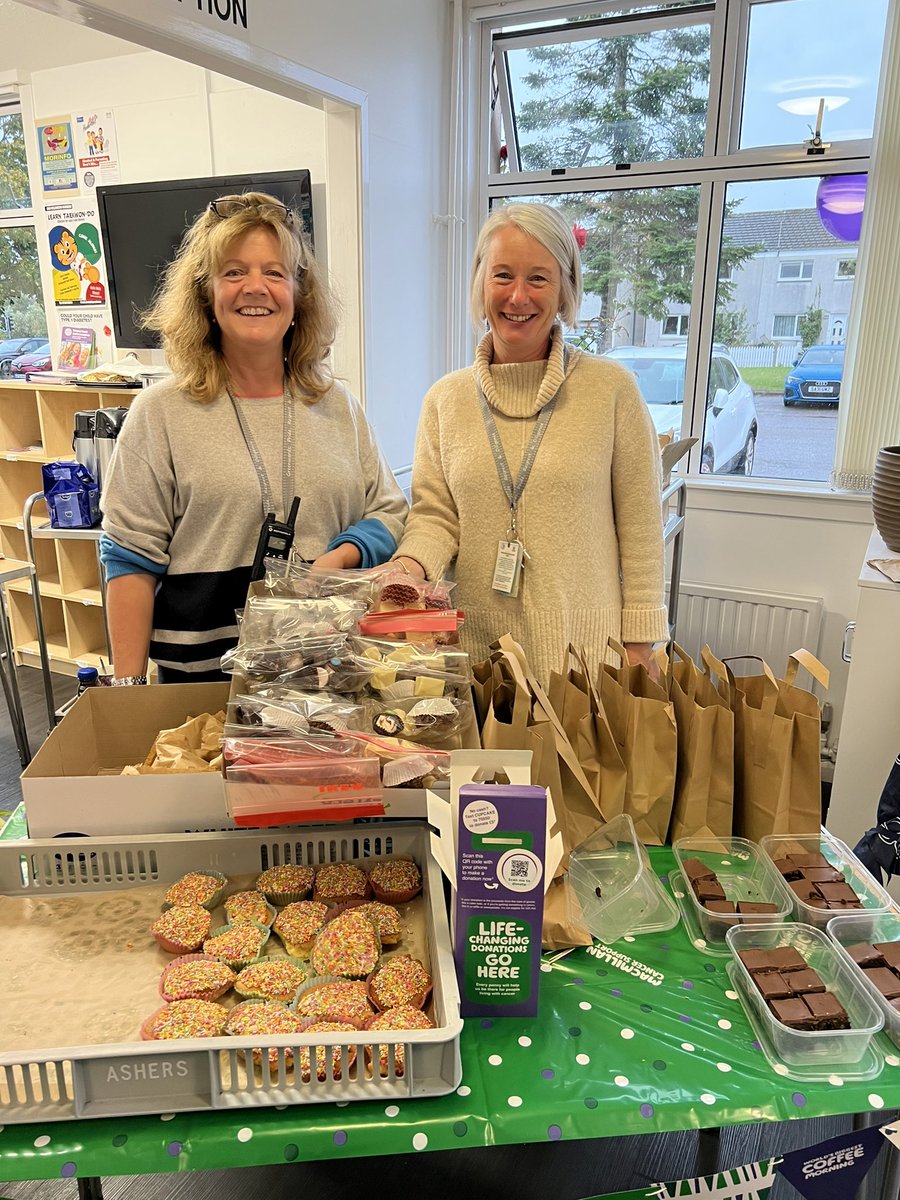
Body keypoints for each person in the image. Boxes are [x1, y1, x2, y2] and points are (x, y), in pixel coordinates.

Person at [100, 191, 407, 684]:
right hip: (202, 690)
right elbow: (130, 560)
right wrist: (128, 690)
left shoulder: (337, 405)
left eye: (275, 272)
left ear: (298, 293)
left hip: (328, 682)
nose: (256, 288)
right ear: (206, 292)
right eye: (234, 272)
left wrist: (336, 558)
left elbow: (388, 511)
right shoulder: (159, 415)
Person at [391, 203, 667, 683]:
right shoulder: (445, 400)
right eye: (502, 275)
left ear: (564, 291)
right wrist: (407, 568)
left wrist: (640, 643)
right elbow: (435, 517)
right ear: (481, 283)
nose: (518, 296)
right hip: (477, 660)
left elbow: (641, 529)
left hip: (585, 661)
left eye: (539, 278)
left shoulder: (611, 391)